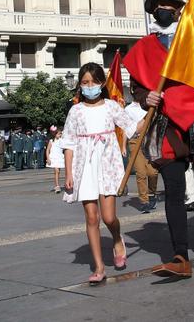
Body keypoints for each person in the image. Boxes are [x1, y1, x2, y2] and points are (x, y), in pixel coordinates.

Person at [125, 0, 194, 279]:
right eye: (158, 4)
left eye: (168, 3)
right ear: (152, 9)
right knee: (174, 189)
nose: (163, 8)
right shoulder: (143, 48)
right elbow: (137, 89)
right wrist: (146, 97)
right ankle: (180, 254)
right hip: (166, 122)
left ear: (179, 8)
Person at [59, 63, 144, 285]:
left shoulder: (111, 106)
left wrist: (155, 108)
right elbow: (68, 143)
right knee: (91, 218)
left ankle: (117, 238)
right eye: (85, 83)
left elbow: (132, 127)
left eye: (94, 82)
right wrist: (68, 173)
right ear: (79, 85)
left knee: (108, 217)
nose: (89, 86)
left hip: (107, 164)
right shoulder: (75, 110)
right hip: (83, 165)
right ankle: (99, 266)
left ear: (102, 83)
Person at [123, 97, 158, 212]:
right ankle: (144, 201)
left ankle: (152, 194)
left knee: (152, 172)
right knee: (141, 172)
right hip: (135, 141)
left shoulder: (150, 106)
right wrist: (123, 146)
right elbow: (125, 128)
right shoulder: (128, 109)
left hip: (149, 141)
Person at [46, 127, 65, 193]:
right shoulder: (51, 141)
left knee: (59, 171)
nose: (60, 135)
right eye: (59, 134)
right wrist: (48, 158)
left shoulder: (62, 140)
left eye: (61, 134)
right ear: (55, 134)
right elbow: (47, 150)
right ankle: (57, 186)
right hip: (53, 157)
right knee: (56, 171)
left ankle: (62, 184)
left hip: (60, 157)